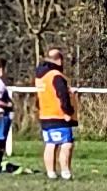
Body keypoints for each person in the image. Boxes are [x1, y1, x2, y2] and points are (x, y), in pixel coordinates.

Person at [33, 47, 78, 181]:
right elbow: (62, 95)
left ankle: (50, 173)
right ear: (59, 60)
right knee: (66, 144)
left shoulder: (40, 77)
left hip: (45, 115)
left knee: (50, 144)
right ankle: (65, 172)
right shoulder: (56, 75)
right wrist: (68, 111)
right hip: (59, 115)